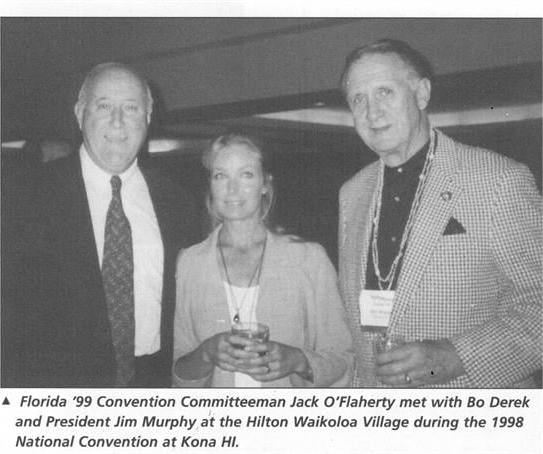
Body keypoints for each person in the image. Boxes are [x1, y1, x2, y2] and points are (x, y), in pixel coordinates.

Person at [338, 39, 542, 387]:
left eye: (385, 92)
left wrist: (458, 355)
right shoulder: (352, 193)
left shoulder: (497, 180)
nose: (372, 113)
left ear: (421, 94)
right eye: (358, 99)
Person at [2, 62, 199, 387]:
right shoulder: (22, 198)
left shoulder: (178, 203)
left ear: (148, 117)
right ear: (80, 113)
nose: (118, 121)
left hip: (152, 389)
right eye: (104, 106)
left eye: (131, 108)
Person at [173, 133, 353, 387]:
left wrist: (298, 361)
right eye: (220, 175)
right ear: (210, 185)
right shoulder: (189, 263)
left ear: (265, 184)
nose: (232, 189)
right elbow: (178, 372)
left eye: (246, 175)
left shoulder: (309, 259)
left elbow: (343, 358)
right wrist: (205, 353)